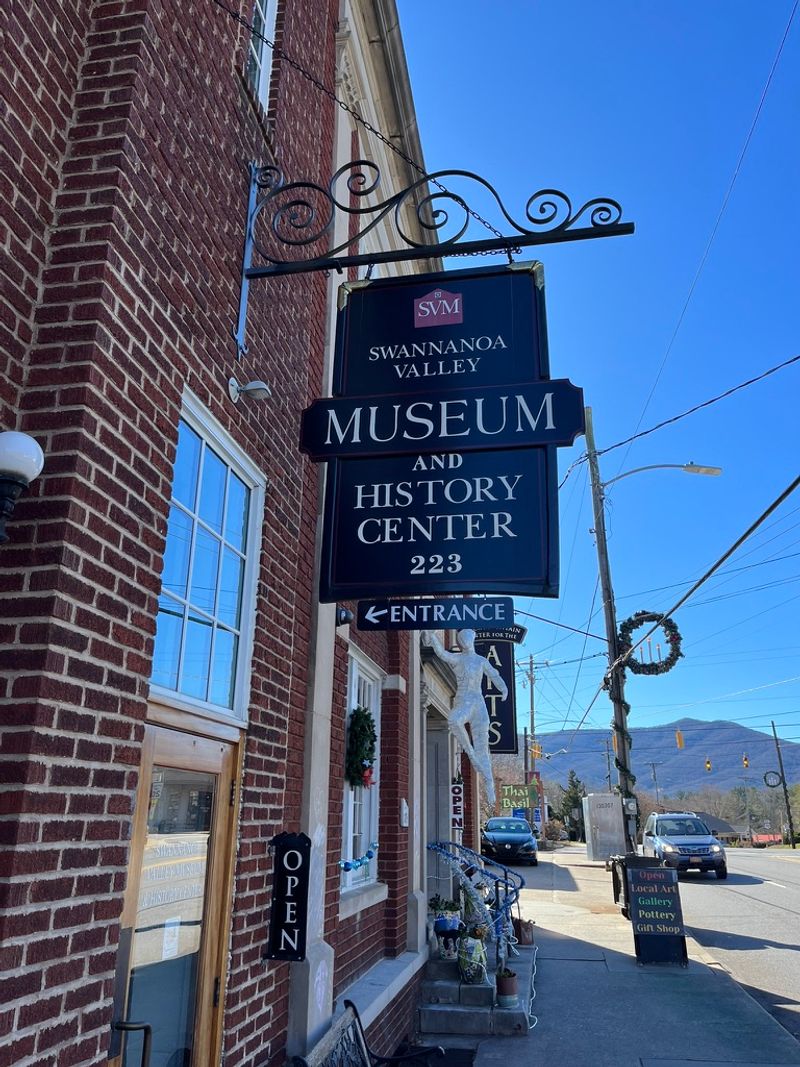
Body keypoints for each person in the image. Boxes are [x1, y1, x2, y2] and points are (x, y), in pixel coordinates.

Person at [421, 628, 508, 807]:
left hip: (479, 702)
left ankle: (489, 782)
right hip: (465, 700)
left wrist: (503, 688)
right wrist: (432, 639)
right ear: (460, 642)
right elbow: (443, 654)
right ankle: (470, 752)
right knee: (453, 720)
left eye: (468, 638)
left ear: (472, 640)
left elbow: (494, 674)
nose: (465, 641)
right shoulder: (459, 658)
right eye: (462, 639)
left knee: (483, 746)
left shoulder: (480, 661)